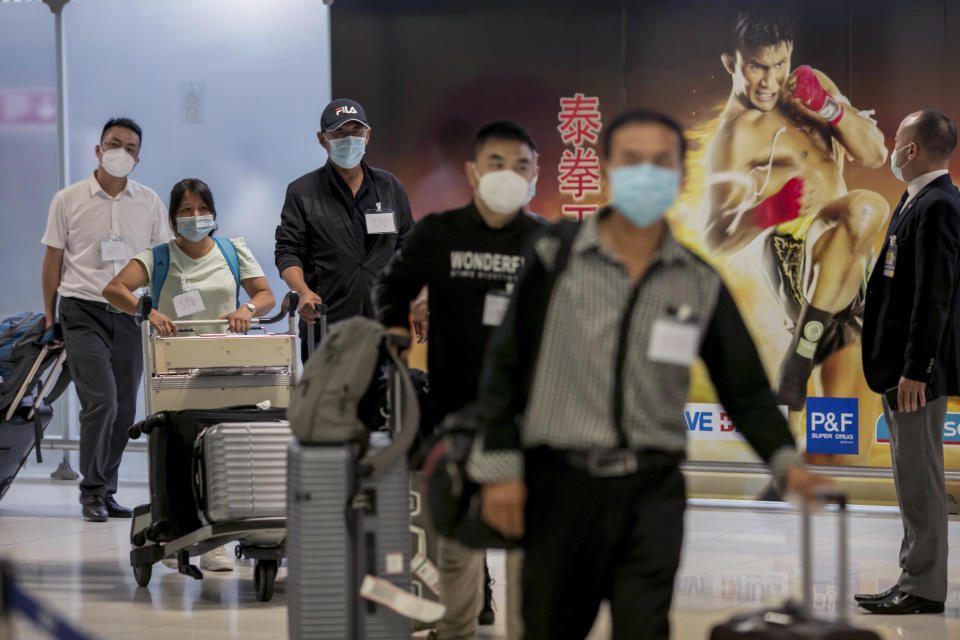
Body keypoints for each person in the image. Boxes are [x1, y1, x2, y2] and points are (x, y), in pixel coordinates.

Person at [469, 109, 829, 640]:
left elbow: (744, 386)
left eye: (660, 162)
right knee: (549, 627)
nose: (646, 173)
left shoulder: (696, 280)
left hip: (653, 491)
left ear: (682, 176)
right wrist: (500, 467)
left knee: (645, 628)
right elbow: (505, 362)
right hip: (560, 485)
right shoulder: (555, 258)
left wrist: (786, 463)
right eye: (631, 160)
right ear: (607, 170)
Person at [375, 121, 544, 640]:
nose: (509, 174)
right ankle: (456, 629)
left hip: (529, 419)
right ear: (472, 171)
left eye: (521, 165)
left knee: (529, 544)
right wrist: (399, 331)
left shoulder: (548, 241)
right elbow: (393, 287)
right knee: (458, 540)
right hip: (455, 413)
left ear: (536, 175)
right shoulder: (439, 233)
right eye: (496, 163)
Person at [702, 10, 889, 428]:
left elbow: (875, 154)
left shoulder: (812, 84)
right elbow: (715, 238)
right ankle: (800, 356)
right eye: (756, 66)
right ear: (731, 63)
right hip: (797, 255)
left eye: (779, 63)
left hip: (851, 256)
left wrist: (828, 107)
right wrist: (766, 212)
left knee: (849, 439)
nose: (770, 81)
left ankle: (800, 365)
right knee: (867, 206)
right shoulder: (736, 135)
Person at [103, 177, 275, 571]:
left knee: (225, 445)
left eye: (202, 209)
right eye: (186, 210)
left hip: (226, 363)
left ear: (213, 214)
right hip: (175, 367)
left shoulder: (234, 250)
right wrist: (147, 311)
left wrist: (245, 311)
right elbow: (114, 289)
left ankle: (225, 534)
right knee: (181, 444)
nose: (195, 217)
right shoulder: (158, 257)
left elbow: (264, 295)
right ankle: (182, 529)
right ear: (173, 217)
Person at [40, 117, 172, 522]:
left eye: (130, 147)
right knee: (102, 401)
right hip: (81, 310)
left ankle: (106, 489)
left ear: (138, 158)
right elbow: (53, 260)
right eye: (114, 143)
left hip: (130, 314)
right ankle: (91, 491)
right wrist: (50, 318)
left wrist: (161, 311)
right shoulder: (68, 198)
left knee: (126, 408)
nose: (121, 152)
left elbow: (163, 259)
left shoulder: (148, 201)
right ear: (98, 149)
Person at [856, 110, 960, 615]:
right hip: (899, 367)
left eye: (897, 140)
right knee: (910, 477)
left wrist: (917, 369)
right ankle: (912, 576)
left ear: (912, 150)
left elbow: (933, 297)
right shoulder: (914, 198)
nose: (892, 148)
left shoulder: (939, 205)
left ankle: (922, 587)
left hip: (915, 374)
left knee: (920, 479)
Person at [275, 98, 414, 361]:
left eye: (355, 131)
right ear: (322, 139)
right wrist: (302, 291)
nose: (348, 139)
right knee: (328, 401)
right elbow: (287, 251)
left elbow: (410, 247)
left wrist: (419, 297)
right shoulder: (302, 192)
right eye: (338, 133)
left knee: (386, 398)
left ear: (367, 135)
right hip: (326, 325)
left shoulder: (390, 186)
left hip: (384, 324)